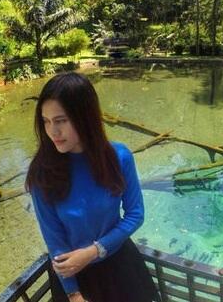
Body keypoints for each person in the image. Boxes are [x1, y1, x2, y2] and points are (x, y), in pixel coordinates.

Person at [25, 72, 160, 302]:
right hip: (74, 278)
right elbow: (55, 242)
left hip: (121, 266)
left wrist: (94, 251)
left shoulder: (119, 157)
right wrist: (74, 294)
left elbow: (135, 214)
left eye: (60, 121)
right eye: (46, 122)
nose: (52, 132)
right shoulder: (42, 174)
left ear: (84, 117)